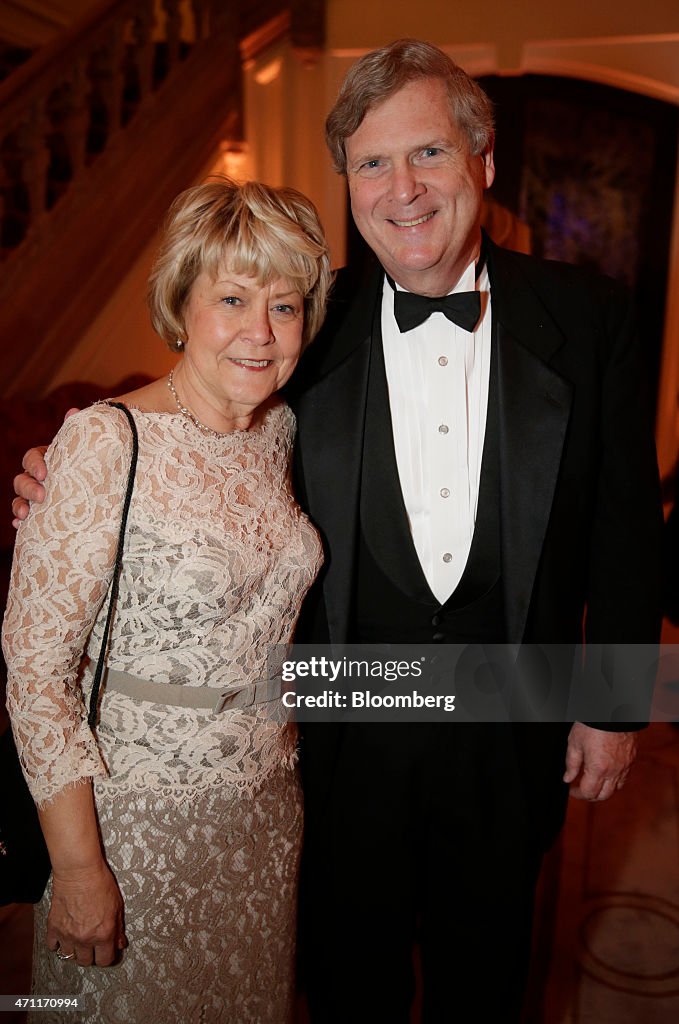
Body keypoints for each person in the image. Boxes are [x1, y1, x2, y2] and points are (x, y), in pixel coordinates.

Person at [13, 39, 663, 1024]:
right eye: (370, 163)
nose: (400, 189)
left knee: (484, 981)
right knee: (342, 981)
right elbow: (203, 410)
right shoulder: (310, 318)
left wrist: (614, 705)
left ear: (482, 160)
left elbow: (624, 522)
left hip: (509, 716)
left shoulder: (591, 314)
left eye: (427, 154)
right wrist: (63, 473)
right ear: (348, 185)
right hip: (335, 726)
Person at [3, 177, 331, 1023]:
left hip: (263, 815)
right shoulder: (105, 440)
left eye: (286, 305)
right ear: (181, 304)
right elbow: (35, 672)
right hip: (133, 828)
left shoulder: (280, 431)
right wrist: (79, 870)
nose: (261, 332)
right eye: (232, 298)